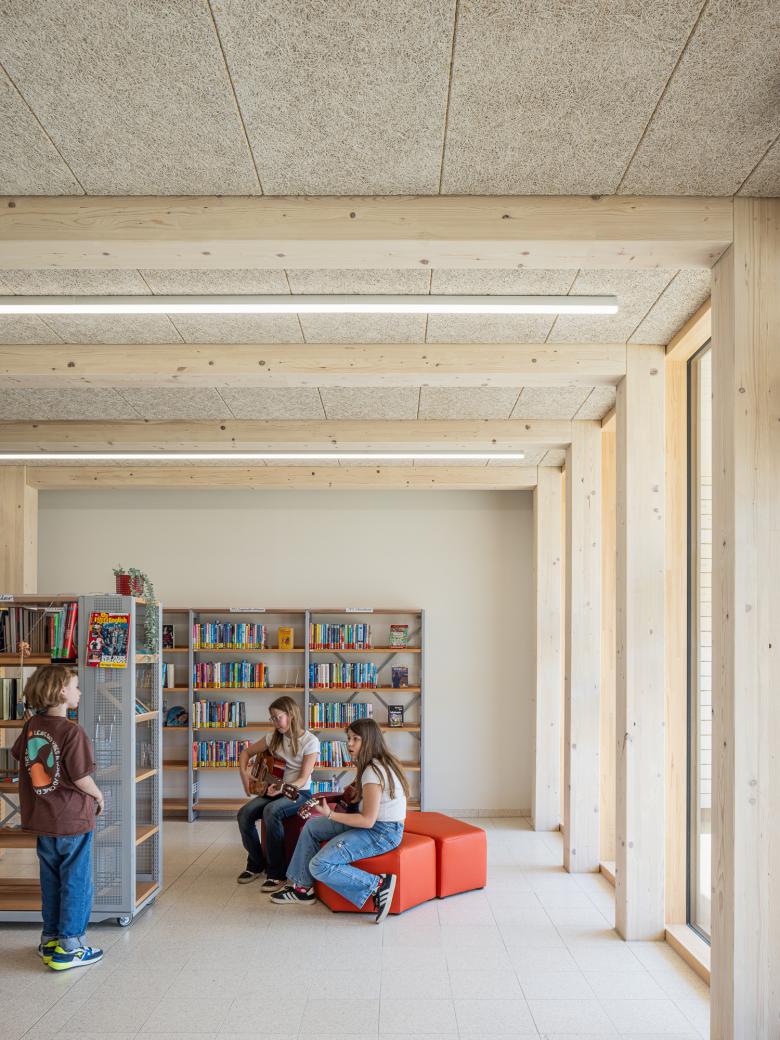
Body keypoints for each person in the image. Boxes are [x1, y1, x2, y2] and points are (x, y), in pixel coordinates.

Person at [11, 665, 105, 970]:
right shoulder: (72, 731)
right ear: (63, 692)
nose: (79, 692)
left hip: (43, 819)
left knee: (51, 880)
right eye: (76, 686)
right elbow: (80, 777)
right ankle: (71, 946)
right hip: (72, 820)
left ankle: (50, 939)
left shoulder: (32, 726)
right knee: (76, 881)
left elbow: (20, 755)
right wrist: (98, 795)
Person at [271, 717, 409, 923]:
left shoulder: (373, 771)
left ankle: (377, 884)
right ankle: (303, 889)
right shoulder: (374, 764)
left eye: (355, 739)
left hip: (382, 832)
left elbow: (367, 821)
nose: (349, 744)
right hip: (377, 825)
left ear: (369, 740)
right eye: (348, 738)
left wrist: (330, 814)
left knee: (319, 864)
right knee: (312, 827)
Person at [236, 695, 319, 892]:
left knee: (271, 811)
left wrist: (282, 788)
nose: (275, 722)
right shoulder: (273, 737)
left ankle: (277, 874)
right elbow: (245, 753)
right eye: (272, 718)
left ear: (291, 715)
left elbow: (302, 778)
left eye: (277, 717)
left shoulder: (310, 741)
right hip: (275, 789)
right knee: (244, 814)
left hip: (299, 793)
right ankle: (256, 863)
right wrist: (245, 774)